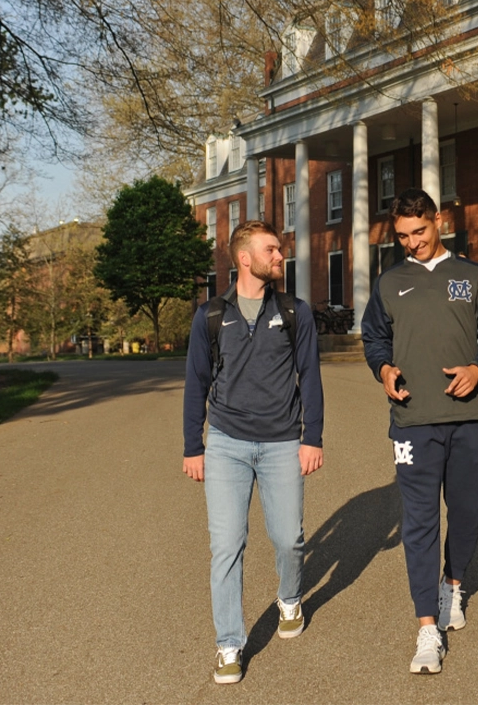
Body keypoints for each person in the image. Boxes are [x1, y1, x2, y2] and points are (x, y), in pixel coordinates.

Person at [361, 188, 478, 675]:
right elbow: (374, 339)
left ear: (439, 221)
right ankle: (427, 627)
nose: (412, 243)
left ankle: (453, 586)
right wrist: (383, 368)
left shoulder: (471, 276)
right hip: (413, 422)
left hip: (470, 419)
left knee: (466, 513)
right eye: (403, 236)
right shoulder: (389, 282)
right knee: (421, 522)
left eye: (419, 232)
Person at [182, 220, 324, 685]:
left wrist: (312, 437)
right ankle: (228, 643)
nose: (279, 256)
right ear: (245, 258)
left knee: (288, 538)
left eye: (279, 249)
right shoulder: (210, 315)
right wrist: (193, 446)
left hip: (283, 441)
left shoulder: (296, 311)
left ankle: (289, 597)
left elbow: (310, 377)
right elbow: (195, 383)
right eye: (271, 250)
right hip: (225, 444)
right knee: (226, 545)